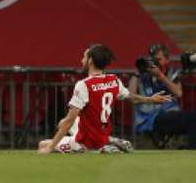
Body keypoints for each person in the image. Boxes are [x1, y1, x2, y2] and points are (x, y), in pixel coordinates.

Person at [38, 44, 172, 154]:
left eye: (84, 57)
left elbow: (70, 120)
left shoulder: (84, 85)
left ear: (90, 60)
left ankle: (100, 149)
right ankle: (109, 140)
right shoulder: (114, 80)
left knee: (43, 144)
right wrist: (150, 99)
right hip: (101, 132)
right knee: (64, 122)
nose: (81, 60)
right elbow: (132, 98)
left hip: (86, 142)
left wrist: (50, 148)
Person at [128, 44, 196, 149]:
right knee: (192, 118)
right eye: (153, 60)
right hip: (149, 118)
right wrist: (137, 73)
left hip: (170, 113)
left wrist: (161, 76)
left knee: (192, 117)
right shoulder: (142, 76)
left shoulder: (172, 74)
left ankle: (191, 149)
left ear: (167, 60)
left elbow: (179, 93)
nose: (156, 63)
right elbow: (130, 96)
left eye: (158, 59)